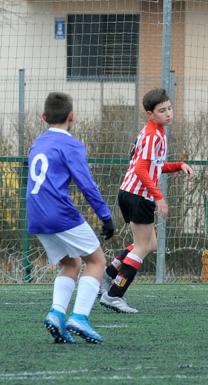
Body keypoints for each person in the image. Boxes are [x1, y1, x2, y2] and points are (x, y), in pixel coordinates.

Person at [28, 92, 114, 344]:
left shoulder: (38, 143)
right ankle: (79, 317)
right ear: (71, 117)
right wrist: (105, 216)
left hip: (36, 215)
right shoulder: (71, 145)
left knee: (71, 264)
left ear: (44, 117)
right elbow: (86, 184)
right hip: (59, 212)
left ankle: (56, 313)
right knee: (97, 260)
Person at [99, 88, 193, 313]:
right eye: (162, 111)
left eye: (169, 108)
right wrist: (159, 197)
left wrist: (179, 165)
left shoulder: (156, 132)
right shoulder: (153, 134)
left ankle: (108, 276)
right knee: (142, 246)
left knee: (149, 244)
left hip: (131, 193)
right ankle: (114, 294)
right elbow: (142, 169)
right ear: (150, 114)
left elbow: (155, 166)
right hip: (138, 195)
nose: (168, 113)